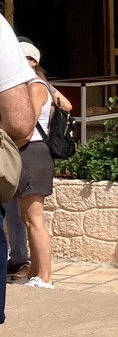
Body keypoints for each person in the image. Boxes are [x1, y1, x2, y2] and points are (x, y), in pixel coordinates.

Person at [15, 38, 68, 290]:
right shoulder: (39, 84)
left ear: (32, 61)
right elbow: (66, 105)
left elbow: (27, 125)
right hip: (31, 152)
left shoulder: (35, 87)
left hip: (32, 152)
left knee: (35, 219)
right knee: (27, 217)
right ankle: (35, 272)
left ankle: (45, 276)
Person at [0, 19, 37, 325]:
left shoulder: (41, 85)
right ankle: (26, 265)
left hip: (34, 155)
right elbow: (20, 123)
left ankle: (31, 267)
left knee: (26, 217)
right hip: (25, 151)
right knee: (22, 217)